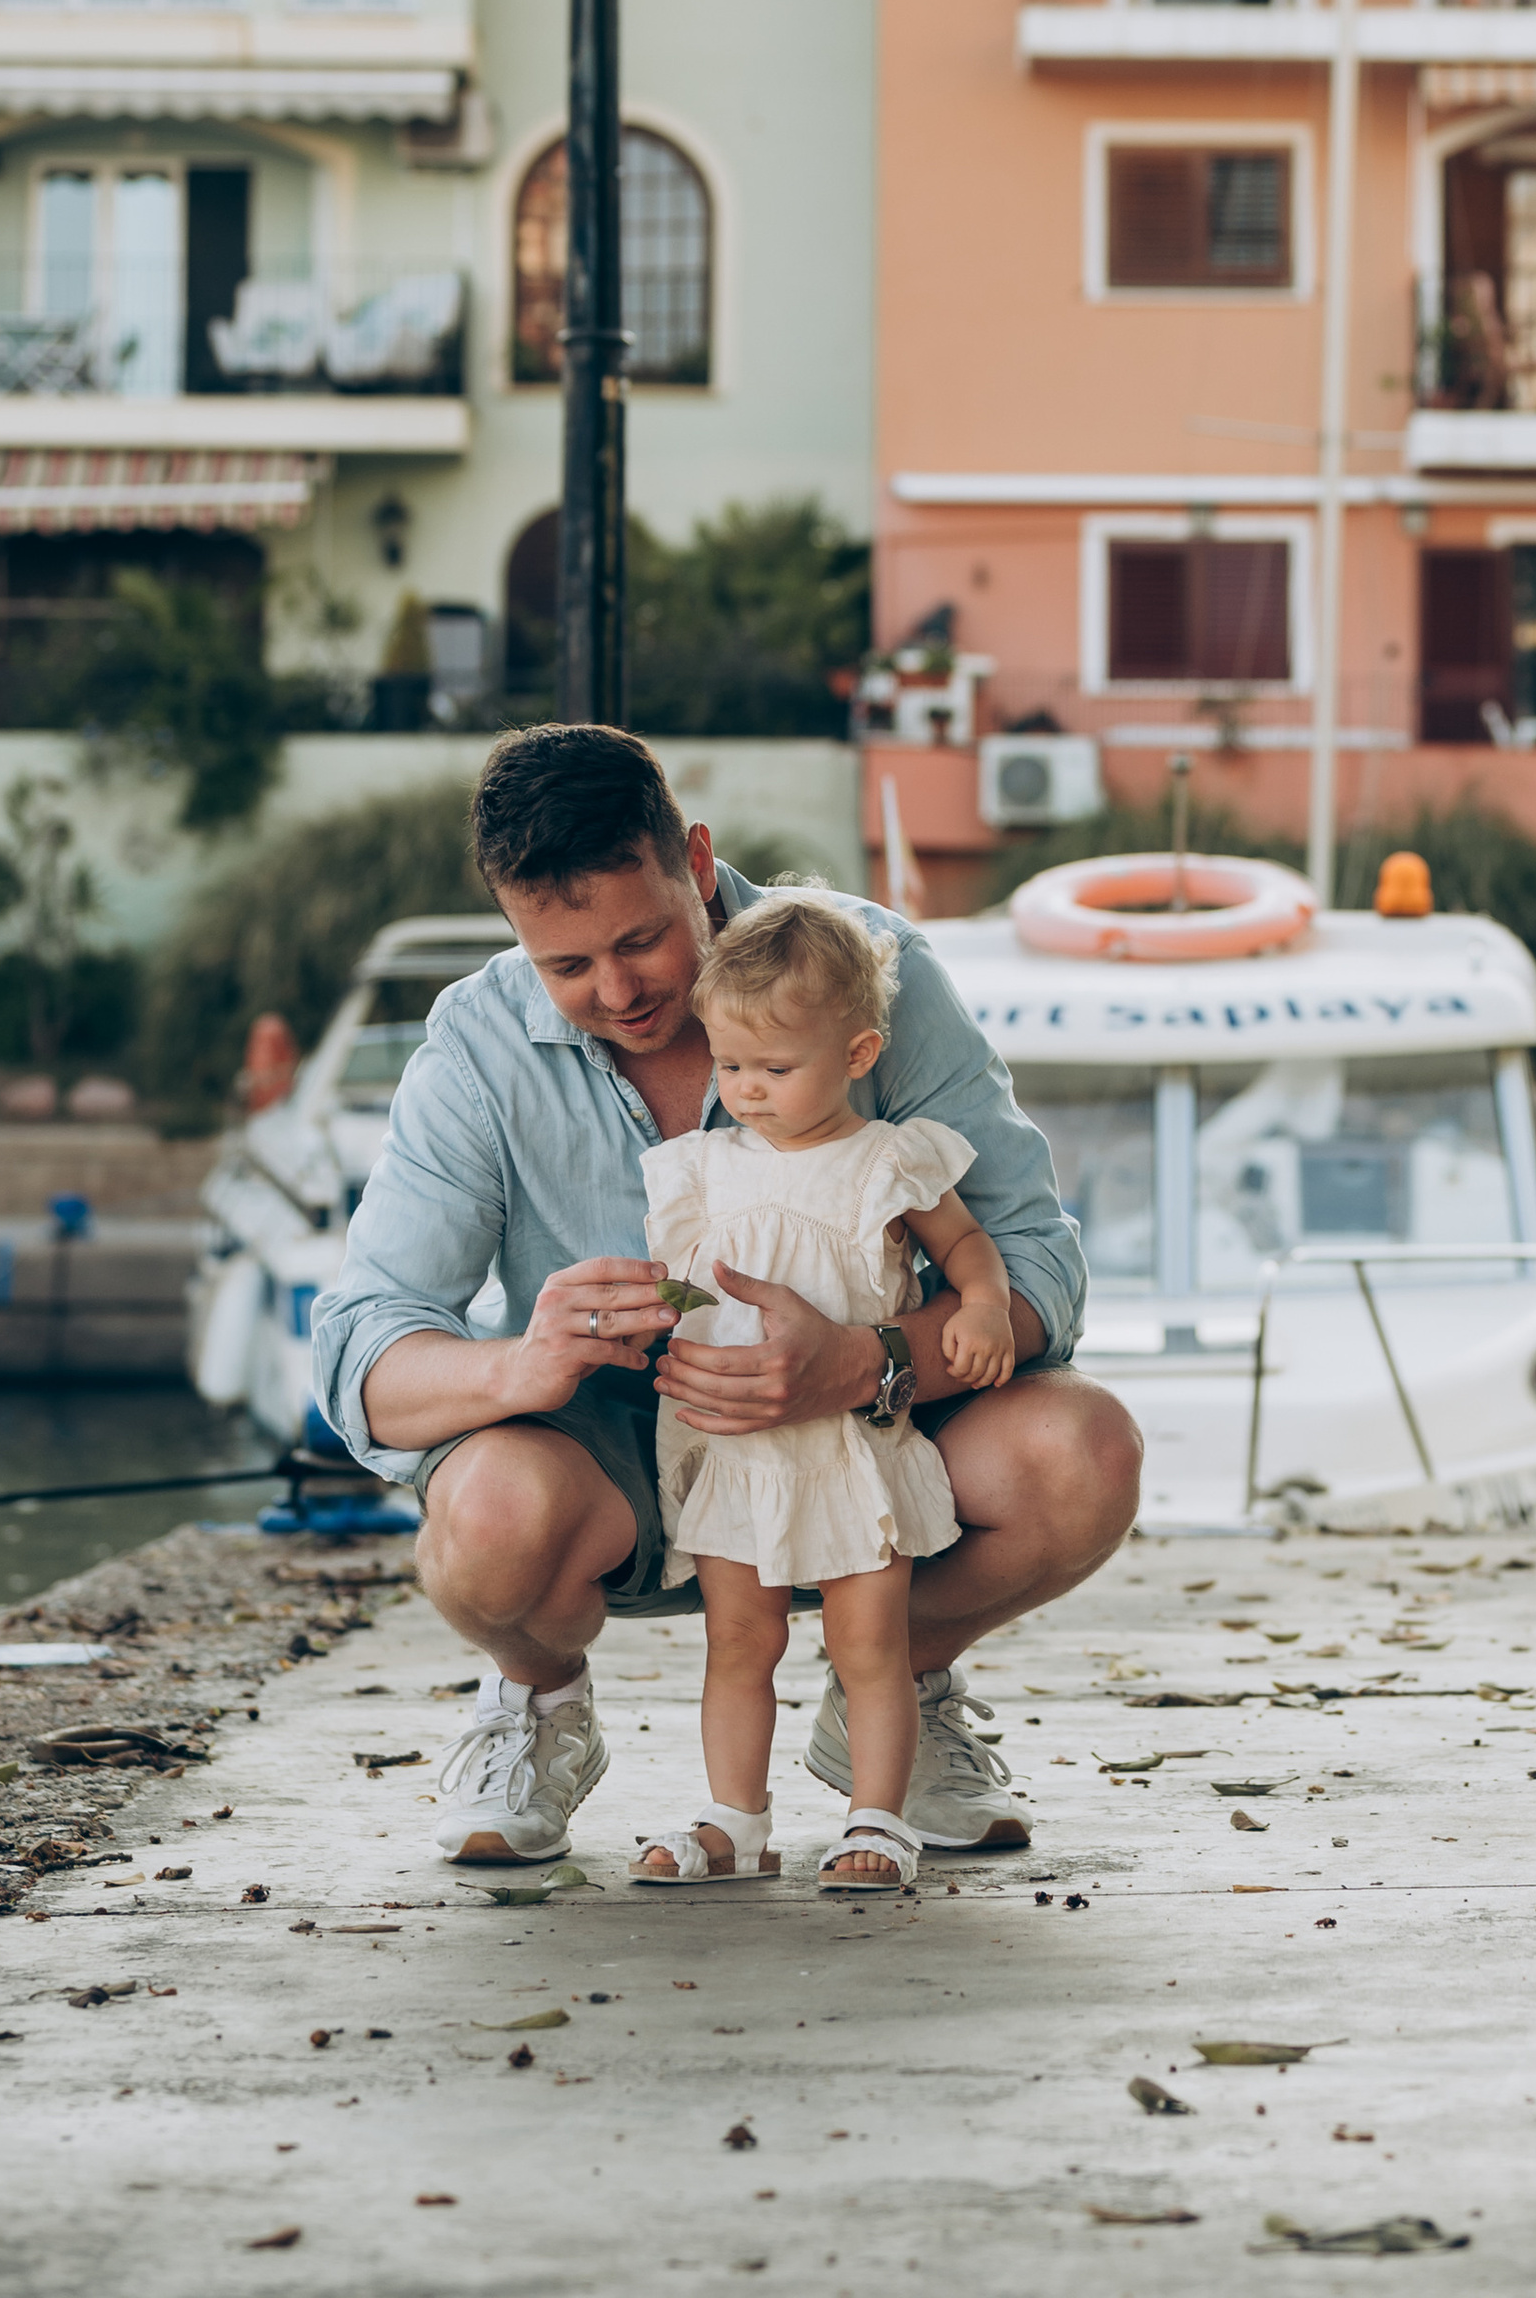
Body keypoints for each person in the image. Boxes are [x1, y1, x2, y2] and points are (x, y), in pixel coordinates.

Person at [308, 723, 1137, 1874]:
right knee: (488, 1518)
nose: (619, 990)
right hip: (621, 1472)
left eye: (642, 939)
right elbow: (361, 1352)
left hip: (874, 1448)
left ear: (696, 861)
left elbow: (1037, 1260)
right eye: (566, 964)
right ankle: (538, 1703)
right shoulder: (476, 1040)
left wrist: (870, 1360)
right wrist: (518, 1365)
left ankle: (889, 1685)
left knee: (1084, 1452)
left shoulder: (868, 967)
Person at [636, 890, 1015, 1894]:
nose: (746, 1089)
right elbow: (687, 1283)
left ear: (855, 1054)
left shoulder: (886, 1159)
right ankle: (734, 1813)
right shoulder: (704, 1170)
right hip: (740, 1449)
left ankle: (877, 1817)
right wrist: (645, 1312)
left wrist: (978, 1304)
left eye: (774, 1067)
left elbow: (967, 1245)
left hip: (850, 1445)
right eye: (729, 1066)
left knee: (867, 1645)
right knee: (737, 1641)